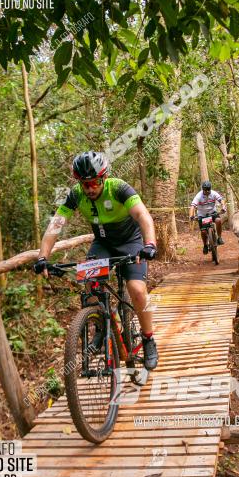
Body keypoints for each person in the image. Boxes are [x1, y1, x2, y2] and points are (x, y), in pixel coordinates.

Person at [33, 151, 159, 370]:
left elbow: (143, 216)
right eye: (84, 184)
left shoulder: (119, 188)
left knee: (137, 290)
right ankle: (103, 325)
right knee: (90, 286)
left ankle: (148, 339)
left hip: (131, 242)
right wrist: (43, 257)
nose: (89, 189)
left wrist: (150, 244)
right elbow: (56, 226)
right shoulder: (75, 195)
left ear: (104, 178)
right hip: (103, 244)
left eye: (94, 183)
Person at [189, 181, 226, 252]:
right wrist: (191, 215)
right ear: (203, 189)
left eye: (208, 189)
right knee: (203, 232)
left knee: (218, 221)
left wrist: (223, 207)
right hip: (202, 215)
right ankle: (205, 245)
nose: (207, 191)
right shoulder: (198, 196)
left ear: (210, 188)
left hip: (212, 213)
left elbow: (221, 200)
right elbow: (192, 206)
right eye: (205, 189)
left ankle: (219, 238)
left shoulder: (214, 193)